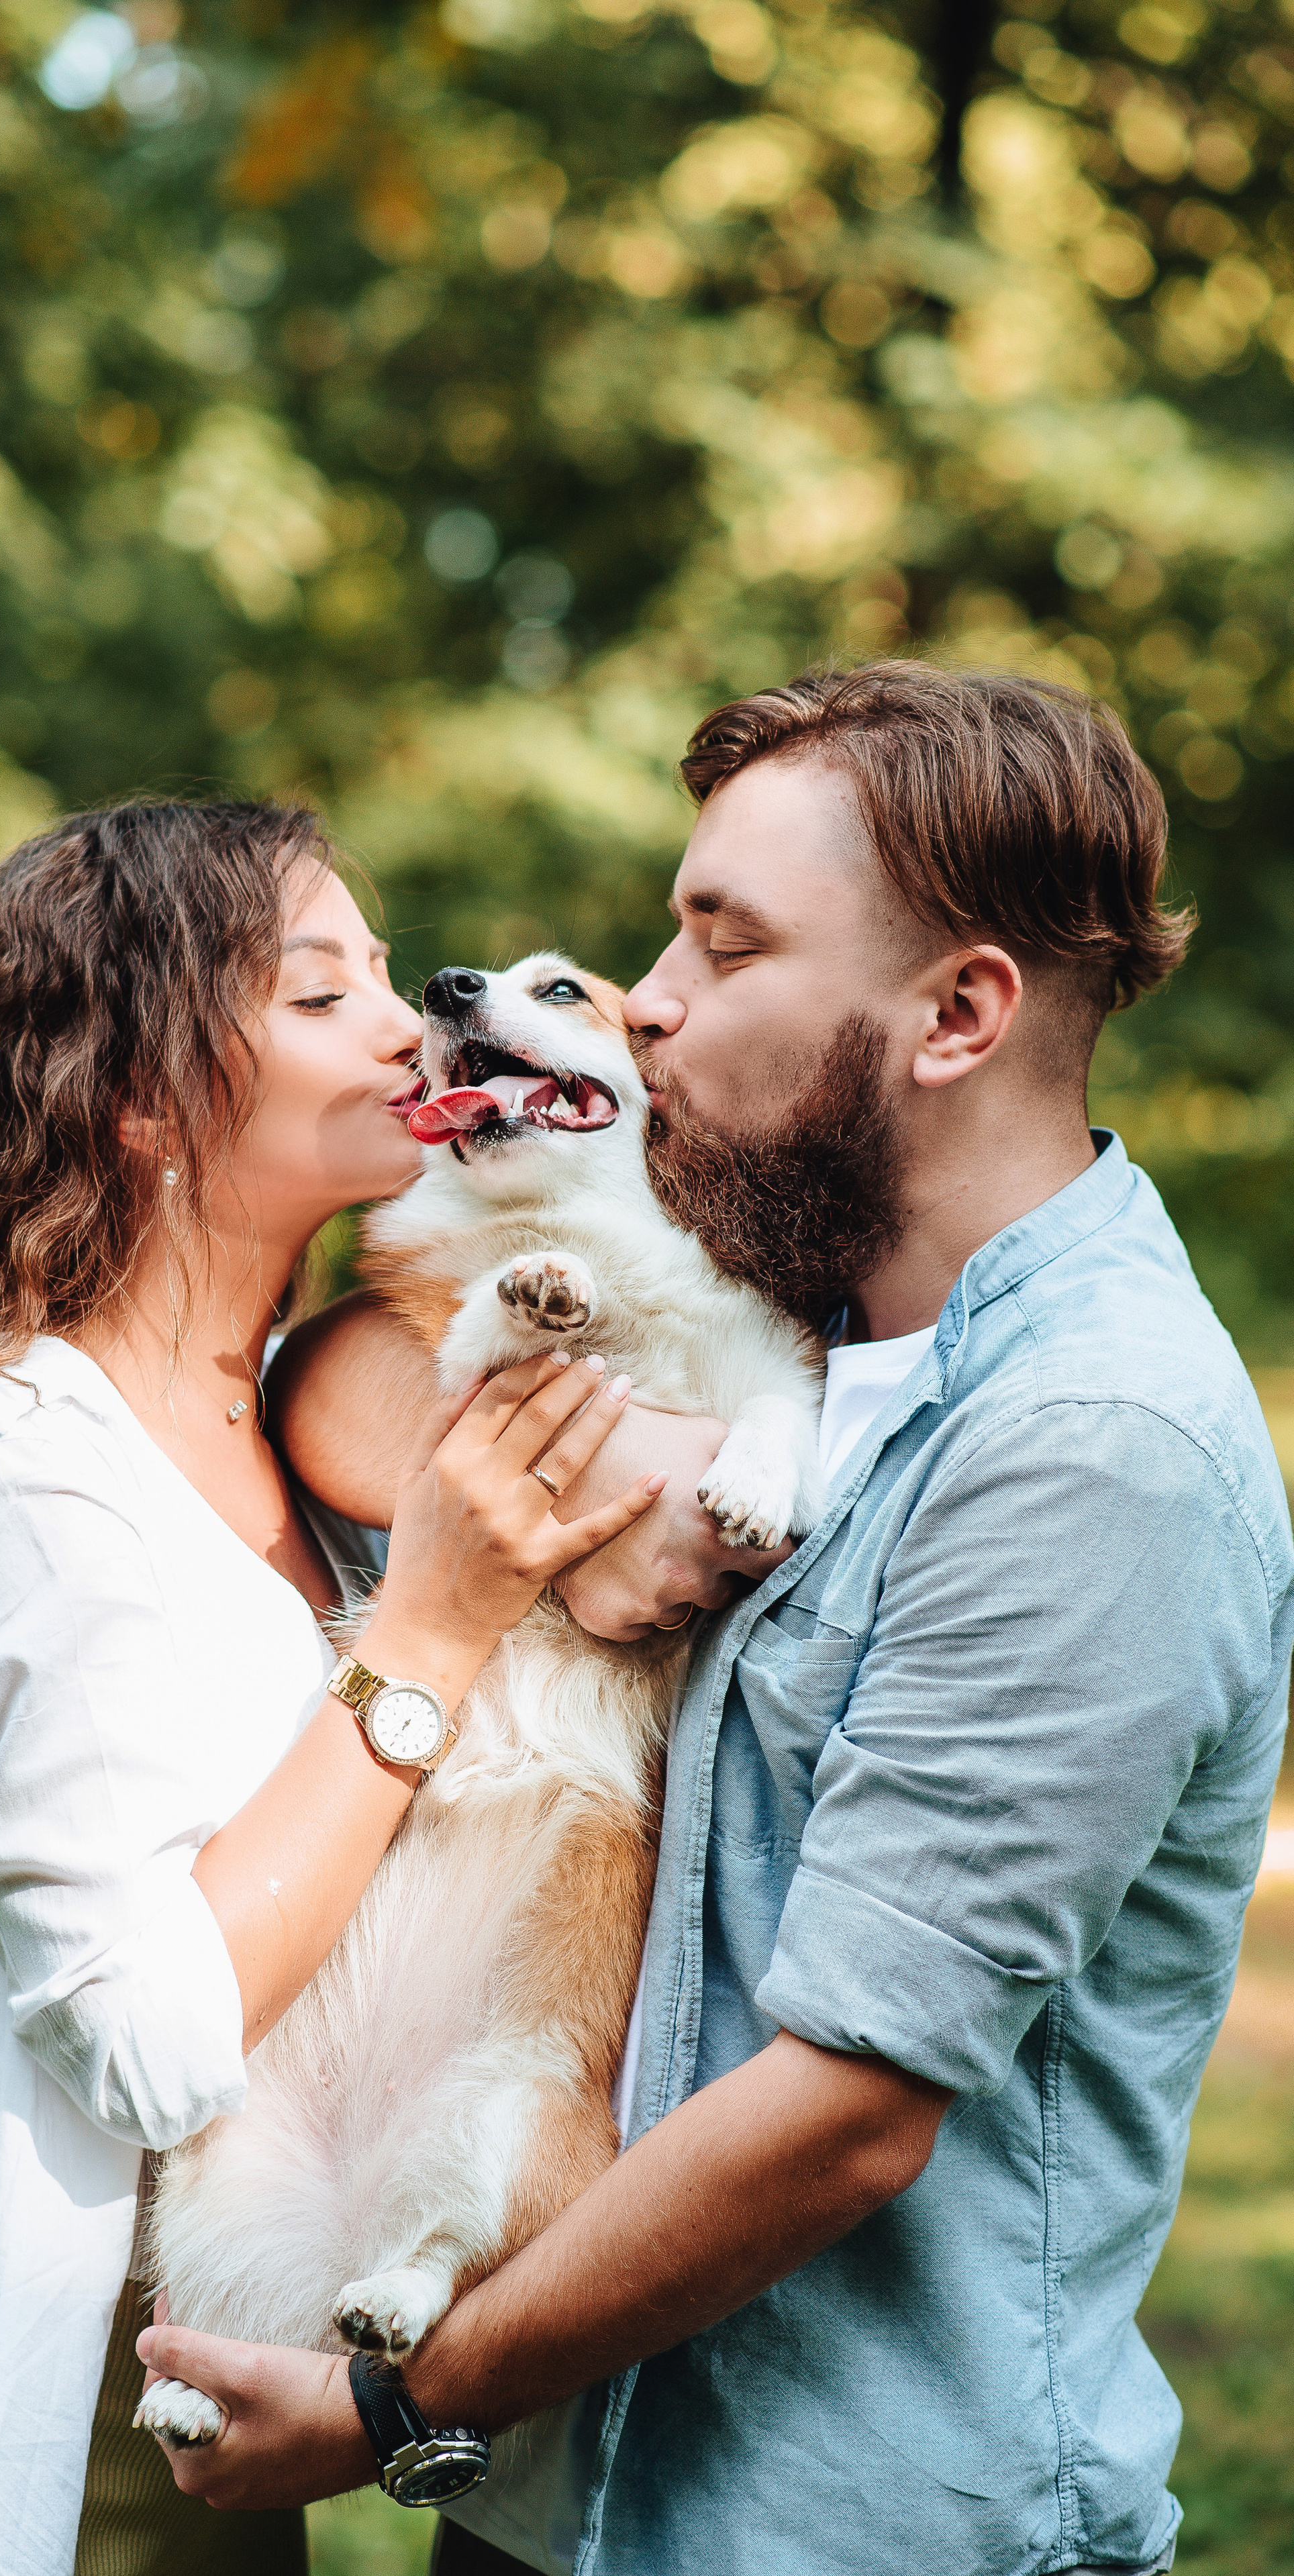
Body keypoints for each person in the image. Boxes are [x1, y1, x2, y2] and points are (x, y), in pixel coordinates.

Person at [137, 665, 1294, 2576]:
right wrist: (599, 1508)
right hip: (566, 2495)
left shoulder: (1091, 1450)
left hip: (827, 2526)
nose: (651, 996)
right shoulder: (826, 1316)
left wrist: (408, 2410)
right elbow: (353, 1375)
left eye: (724, 946)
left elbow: (845, 2109)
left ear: (960, 1014)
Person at [0, 799, 752, 2576]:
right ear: (143, 1098)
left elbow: (470, 1411)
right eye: (321, 991)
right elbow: (141, 2043)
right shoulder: (38, 1467)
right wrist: (426, 1634)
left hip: (197, 2404)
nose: (407, 1024)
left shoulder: (288, 1398)